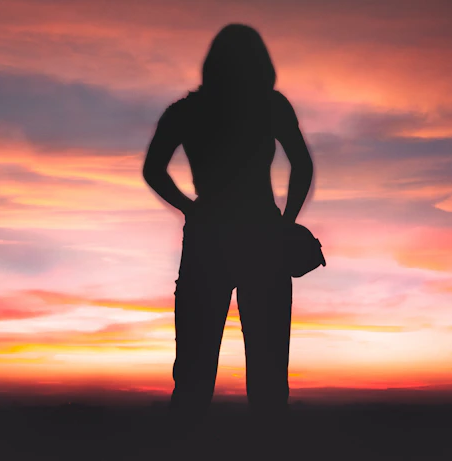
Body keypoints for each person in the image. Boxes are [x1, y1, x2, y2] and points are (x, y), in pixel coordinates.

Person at [143, 23, 314, 433]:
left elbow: (153, 170)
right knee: (269, 375)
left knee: (193, 375)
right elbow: (302, 165)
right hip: (260, 234)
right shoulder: (271, 106)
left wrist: (190, 209)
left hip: (208, 236)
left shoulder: (185, 112)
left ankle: (181, 446)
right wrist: (285, 223)